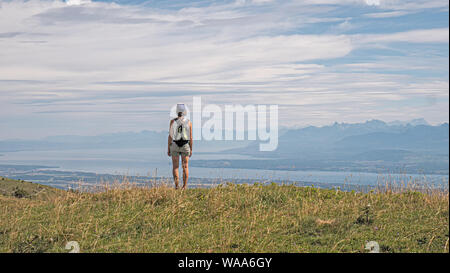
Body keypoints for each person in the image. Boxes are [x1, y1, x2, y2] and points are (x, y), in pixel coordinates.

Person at [168, 104, 193, 189]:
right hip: (185, 145)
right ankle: (184, 186)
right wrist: (191, 149)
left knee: (175, 166)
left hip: (175, 144)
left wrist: (168, 148)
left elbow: (170, 136)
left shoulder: (173, 122)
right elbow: (191, 137)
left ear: (176, 112)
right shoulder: (189, 122)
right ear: (184, 112)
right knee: (185, 166)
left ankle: (176, 186)